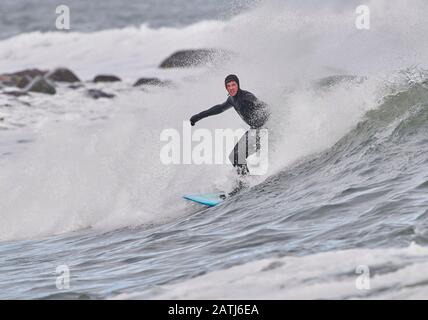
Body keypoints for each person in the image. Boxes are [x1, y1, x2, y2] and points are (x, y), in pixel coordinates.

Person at [190, 74, 270, 176]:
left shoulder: (247, 97)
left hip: (262, 129)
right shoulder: (232, 99)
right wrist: (198, 116)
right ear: (226, 88)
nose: (231, 88)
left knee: (236, 156)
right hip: (254, 130)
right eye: (228, 86)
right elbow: (219, 108)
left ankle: (245, 181)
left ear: (238, 85)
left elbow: (262, 106)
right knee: (234, 157)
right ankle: (245, 180)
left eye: (233, 85)